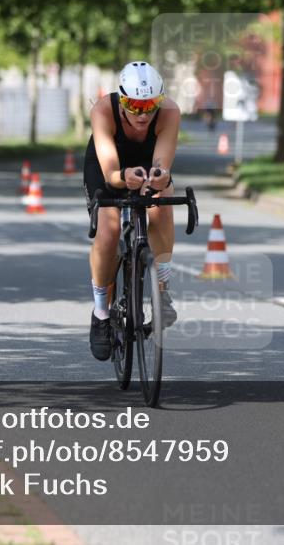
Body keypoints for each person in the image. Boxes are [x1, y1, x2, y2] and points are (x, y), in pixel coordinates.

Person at [83, 61, 181, 361]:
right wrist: (121, 177)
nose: (142, 114)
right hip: (108, 166)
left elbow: (162, 164)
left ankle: (162, 292)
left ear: (160, 100)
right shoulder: (103, 110)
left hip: (147, 163)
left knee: (162, 203)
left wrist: (161, 176)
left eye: (150, 105)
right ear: (121, 100)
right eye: (133, 105)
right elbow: (111, 171)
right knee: (109, 230)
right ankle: (101, 312)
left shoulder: (170, 113)